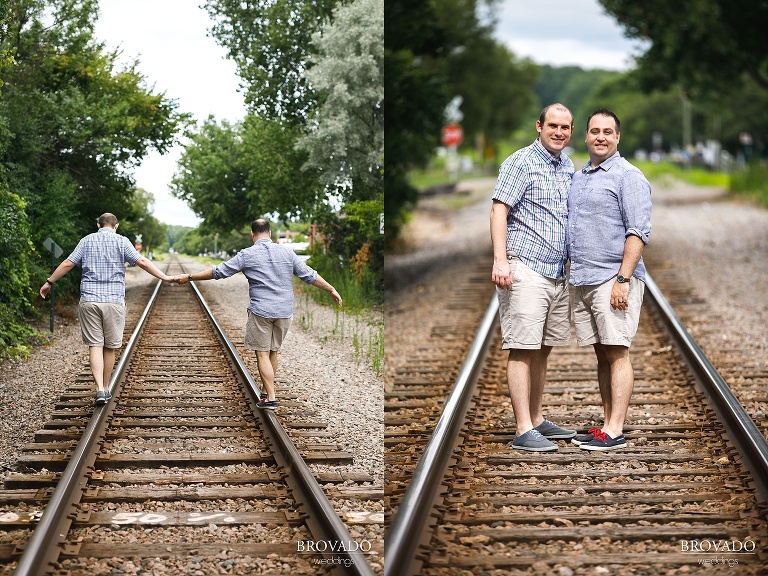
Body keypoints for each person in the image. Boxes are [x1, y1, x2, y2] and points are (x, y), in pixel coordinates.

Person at [174, 218, 342, 409]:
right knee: (273, 351)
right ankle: (265, 392)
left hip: (261, 311)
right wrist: (331, 289)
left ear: (252, 235)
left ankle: (271, 397)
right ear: (270, 233)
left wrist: (189, 277)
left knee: (262, 354)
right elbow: (309, 275)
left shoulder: (247, 254)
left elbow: (218, 271)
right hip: (284, 311)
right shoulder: (287, 252)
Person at [490, 103, 577, 452]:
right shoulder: (520, 162)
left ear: (571, 131)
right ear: (539, 126)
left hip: (557, 273)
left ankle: (537, 419)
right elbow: (499, 210)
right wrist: (501, 261)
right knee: (522, 348)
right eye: (553, 125)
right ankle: (523, 428)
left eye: (565, 127)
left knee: (543, 348)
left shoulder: (567, 166)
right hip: (526, 266)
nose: (559, 132)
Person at [567, 108, 652, 451]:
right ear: (586, 136)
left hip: (612, 277)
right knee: (602, 353)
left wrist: (623, 279)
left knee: (617, 352)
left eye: (607, 132)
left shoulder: (628, 176)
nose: (600, 137)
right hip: (584, 278)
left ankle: (615, 430)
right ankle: (605, 425)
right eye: (594, 131)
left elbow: (638, 232)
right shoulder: (580, 176)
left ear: (617, 137)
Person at [39, 213, 173, 405]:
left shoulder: (86, 240)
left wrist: (49, 282)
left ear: (98, 225)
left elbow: (68, 263)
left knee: (95, 345)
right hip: (113, 301)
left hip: (90, 300)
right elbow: (142, 262)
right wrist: (164, 277)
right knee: (109, 347)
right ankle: (106, 387)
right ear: (116, 226)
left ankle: (99, 390)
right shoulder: (122, 241)